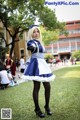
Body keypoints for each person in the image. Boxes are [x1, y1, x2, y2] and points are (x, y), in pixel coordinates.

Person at [22, 25, 55, 118]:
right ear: (31, 33)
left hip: (43, 64)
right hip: (36, 64)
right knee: (37, 87)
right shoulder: (30, 42)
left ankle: (47, 106)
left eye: (37, 32)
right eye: (34, 32)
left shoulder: (40, 42)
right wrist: (31, 47)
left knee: (47, 86)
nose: (36, 33)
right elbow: (30, 47)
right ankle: (37, 109)